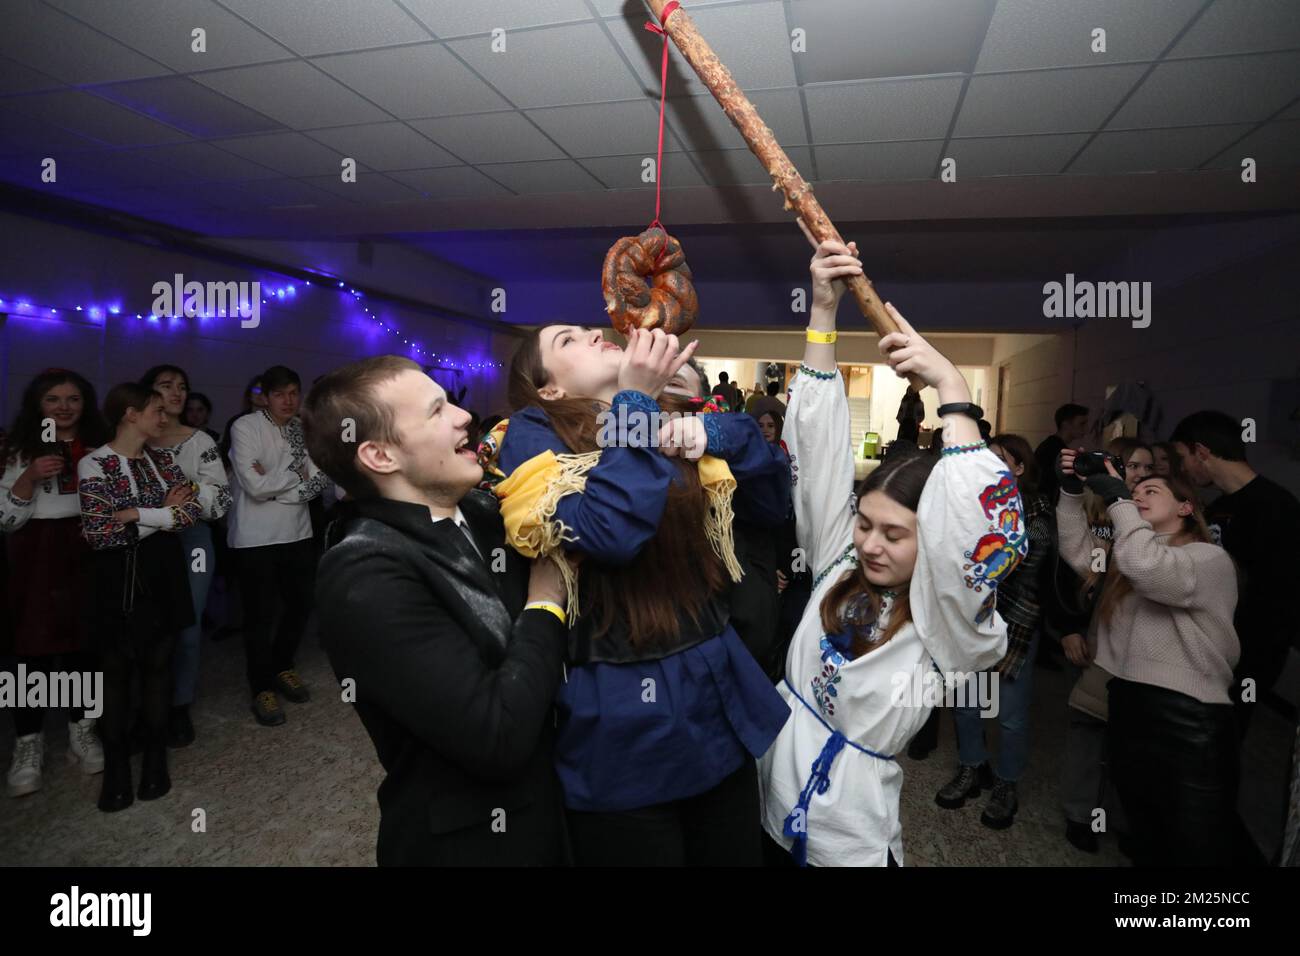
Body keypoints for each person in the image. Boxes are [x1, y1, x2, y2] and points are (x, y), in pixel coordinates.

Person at [759, 224, 1026, 866]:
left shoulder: (944, 617)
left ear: (934, 540)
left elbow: (989, 530)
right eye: (866, 523)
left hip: (848, 839)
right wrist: (823, 311)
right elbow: (818, 454)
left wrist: (952, 391)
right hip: (770, 794)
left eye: (896, 533)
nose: (872, 546)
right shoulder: (838, 561)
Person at [494, 323, 792, 866]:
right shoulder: (532, 432)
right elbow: (607, 535)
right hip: (621, 709)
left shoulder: (667, 420)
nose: (591, 333)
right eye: (568, 341)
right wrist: (634, 401)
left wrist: (713, 435)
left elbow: (772, 507)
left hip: (710, 687)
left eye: (586, 329)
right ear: (549, 389)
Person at [304, 356, 569, 865]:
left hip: (549, 804)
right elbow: (496, 735)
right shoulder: (365, 574)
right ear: (380, 455)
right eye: (436, 410)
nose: (464, 416)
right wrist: (545, 602)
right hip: (475, 842)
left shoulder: (484, 511)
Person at [1056, 453, 1240, 865]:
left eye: (1150, 491)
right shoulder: (1133, 551)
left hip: (1189, 717)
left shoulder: (1209, 560)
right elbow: (1077, 550)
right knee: (1151, 827)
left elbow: (1151, 570)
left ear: (1186, 508)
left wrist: (1119, 502)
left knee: (1198, 839)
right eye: (1133, 491)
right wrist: (1070, 491)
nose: (1137, 496)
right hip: (1132, 701)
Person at [78, 383, 200, 811]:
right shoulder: (94, 464)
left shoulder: (164, 460)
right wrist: (159, 516)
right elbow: (99, 532)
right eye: (155, 410)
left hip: (163, 573)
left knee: (158, 666)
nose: (163, 417)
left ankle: (154, 760)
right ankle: (116, 769)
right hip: (117, 579)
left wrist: (135, 514)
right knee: (116, 672)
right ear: (130, 414)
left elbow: (190, 512)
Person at [2, 369, 110, 797]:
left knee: (85, 647)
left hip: (86, 551)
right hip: (35, 554)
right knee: (33, 654)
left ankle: (82, 730)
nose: (64, 407)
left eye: (73, 399)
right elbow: (6, 520)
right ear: (38, 405)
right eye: (53, 399)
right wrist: (28, 477)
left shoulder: (100, 448)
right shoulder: (15, 449)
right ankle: (28, 743)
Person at [937, 433, 1051, 829]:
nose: (988, 469)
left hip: (1015, 622)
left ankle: (1007, 783)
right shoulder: (973, 505)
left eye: (999, 461)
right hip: (971, 620)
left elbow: (1024, 576)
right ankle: (972, 767)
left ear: (1019, 468)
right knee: (967, 704)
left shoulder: (1035, 513)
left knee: (1010, 715)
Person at [1171, 410, 1300, 739]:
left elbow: (1278, 601)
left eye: (1184, 457)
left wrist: (1242, 666)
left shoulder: (1277, 508)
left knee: (1222, 743)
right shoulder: (1219, 508)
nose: (1183, 467)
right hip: (1207, 651)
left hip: (1246, 658)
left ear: (1202, 452)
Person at [227, 365, 329, 726]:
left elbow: (319, 480)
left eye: (293, 393)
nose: (288, 400)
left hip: (298, 531)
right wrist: (292, 478)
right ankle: (260, 688)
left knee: (300, 605)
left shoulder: (303, 429)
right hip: (255, 537)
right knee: (259, 615)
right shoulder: (245, 427)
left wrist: (278, 488)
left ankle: (283, 665)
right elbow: (253, 488)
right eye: (280, 394)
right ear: (264, 397)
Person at [140, 365, 231, 746]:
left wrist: (189, 490)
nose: (176, 393)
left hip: (192, 539)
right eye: (166, 386)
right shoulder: (136, 436)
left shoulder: (200, 441)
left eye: (182, 386)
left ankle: (180, 705)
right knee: (145, 627)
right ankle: (142, 708)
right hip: (142, 539)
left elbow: (221, 499)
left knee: (188, 626)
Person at [1035, 403, 1089, 502]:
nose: (1086, 429)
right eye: (1082, 424)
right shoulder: (1055, 450)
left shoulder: (1051, 445)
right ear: (1066, 424)